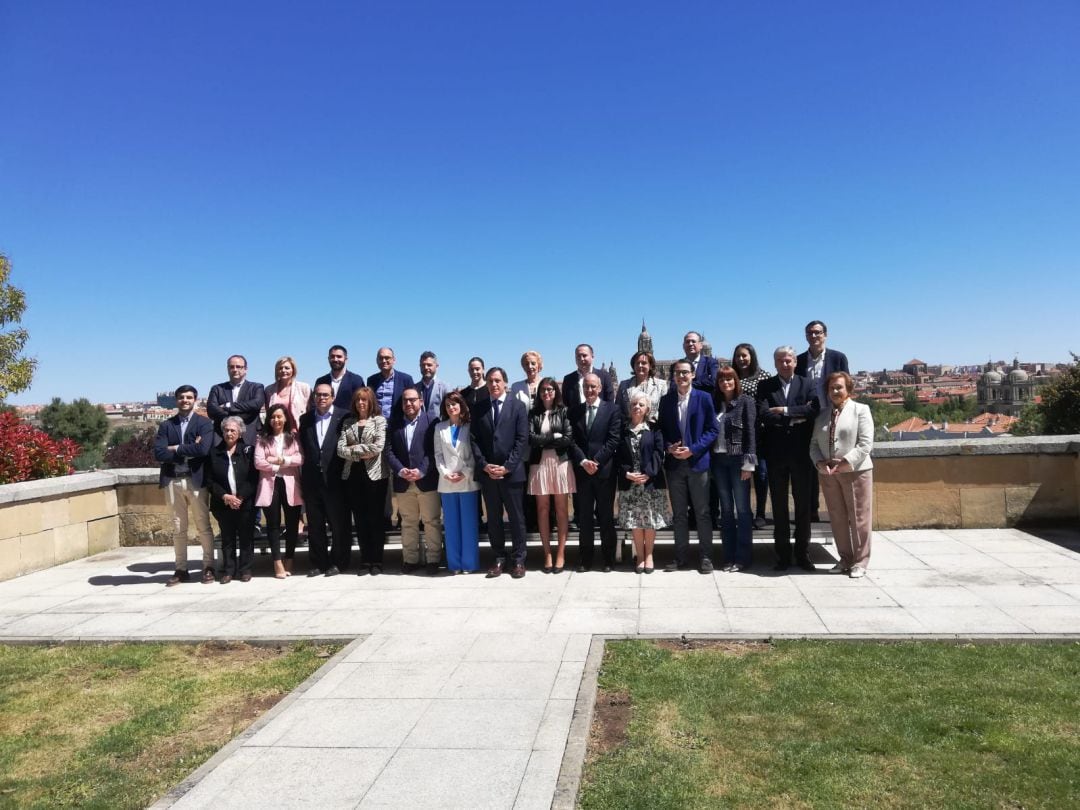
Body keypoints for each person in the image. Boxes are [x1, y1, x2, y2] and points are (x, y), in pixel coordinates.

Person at [756, 346, 821, 572]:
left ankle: (803, 554)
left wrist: (783, 411)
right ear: (775, 363)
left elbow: (812, 409)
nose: (785, 364)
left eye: (789, 360)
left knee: (803, 506)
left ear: (795, 362)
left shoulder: (807, 383)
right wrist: (795, 416)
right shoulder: (765, 386)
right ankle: (783, 556)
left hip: (802, 455)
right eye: (781, 360)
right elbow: (763, 413)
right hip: (775, 455)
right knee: (779, 507)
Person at [810, 371, 874, 578]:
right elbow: (813, 444)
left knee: (859, 518)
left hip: (855, 471)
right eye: (832, 388)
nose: (835, 391)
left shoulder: (861, 410)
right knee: (837, 517)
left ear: (848, 389)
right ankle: (845, 558)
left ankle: (861, 561)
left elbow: (865, 444)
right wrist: (819, 462)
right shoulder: (822, 415)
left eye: (839, 387)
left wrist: (846, 462)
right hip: (828, 473)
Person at [658, 359, 718, 573]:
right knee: (680, 514)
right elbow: (661, 431)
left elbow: (713, 429)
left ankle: (706, 558)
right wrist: (669, 447)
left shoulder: (704, 398)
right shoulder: (666, 401)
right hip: (674, 465)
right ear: (673, 376)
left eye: (685, 372)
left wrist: (693, 449)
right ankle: (681, 557)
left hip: (697, 463)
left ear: (693, 374)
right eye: (677, 373)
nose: (681, 376)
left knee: (702, 512)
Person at [153, 384, 215, 586]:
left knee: (203, 525)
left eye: (189, 397)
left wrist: (175, 448)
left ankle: (208, 567)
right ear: (176, 400)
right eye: (181, 397)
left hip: (196, 480)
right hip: (173, 481)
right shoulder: (166, 425)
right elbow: (159, 454)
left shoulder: (204, 424)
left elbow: (204, 449)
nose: (185, 401)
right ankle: (181, 569)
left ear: (195, 399)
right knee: (178, 528)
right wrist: (190, 448)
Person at [470, 367, 529, 579]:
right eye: (490, 381)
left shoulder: (518, 407)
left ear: (505, 382)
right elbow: (474, 441)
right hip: (488, 474)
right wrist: (485, 465)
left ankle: (519, 559)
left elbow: (522, 440)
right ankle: (499, 558)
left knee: (516, 518)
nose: (494, 385)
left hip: (511, 474)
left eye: (497, 381)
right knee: (493, 518)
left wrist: (507, 467)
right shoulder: (478, 408)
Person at [796, 320, 851, 522]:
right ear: (806, 336)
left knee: (837, 461)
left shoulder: (838, 358)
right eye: (810, 333)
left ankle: (842, 511)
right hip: (808, 418)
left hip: (833, 416)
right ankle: (812, 510)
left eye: (818, 332)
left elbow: (847, 386)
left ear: (825, 335)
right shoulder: (799, 360)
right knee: (811, 465)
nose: (814, 336)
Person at [569, 373, 623, 572]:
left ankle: (608, 558)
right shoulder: (574, 412)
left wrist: (596, 461)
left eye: (593, 387)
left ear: (600, 388)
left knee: (606, 516)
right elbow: (571, 440)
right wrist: (583, 461)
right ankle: (586, 558)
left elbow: (613, 439)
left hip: (604, 472)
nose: (589, 390)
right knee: (584, 517)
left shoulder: (612, 410)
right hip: (582, 472)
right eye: (586, 387)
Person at [387, 388, 443, 574]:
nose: (409, 404)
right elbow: (389, 451)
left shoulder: (432, 421)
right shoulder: (393, 423)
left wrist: (422, 470)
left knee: (431, 521)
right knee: (408, 522)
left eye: (412, 400)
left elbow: (433, 450)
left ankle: (433, 559)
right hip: (403, 482)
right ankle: (410, 559)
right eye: (405, 401)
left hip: (426, 480)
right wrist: (401, 470)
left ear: (420, 401)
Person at [298, 383, 350, 576]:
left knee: (338, 525)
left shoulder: (344, 417)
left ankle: (339, 562)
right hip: (312, 480)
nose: (321, 398)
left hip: (336, 480)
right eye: (318, 395)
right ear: (313, 397)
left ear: (333, 397)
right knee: (315, 525)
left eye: (326, 395)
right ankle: (318, 562)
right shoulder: (305, 420)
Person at [337, 387, 389, 574]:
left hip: (375, 477)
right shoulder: (348, 422)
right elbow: (340, 449)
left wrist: (354, 449)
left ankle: (377, 560)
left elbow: (377, 447)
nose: (361, 403)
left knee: (375, 519)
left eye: (365, 400)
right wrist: (361, 451)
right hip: (352, 477)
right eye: (358, 400)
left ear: (371, 402)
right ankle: (365, 560)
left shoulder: (379, 421)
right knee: (360, 520)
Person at [710, 365, 757, 572]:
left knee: (743, 510)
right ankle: (728, 556)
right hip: (718, 461)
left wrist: (749, 464)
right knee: (726, 511)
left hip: (739, 462)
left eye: (729, 379)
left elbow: (751, 434)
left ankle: (742, 557)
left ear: (735, 381)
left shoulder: (746, 402)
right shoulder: (714, 403)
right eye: (722, 380)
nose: (725, 383)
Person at [617, 392, 669, 574]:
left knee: (650, 521)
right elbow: (618, 456)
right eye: (634, 404)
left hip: (650, 482)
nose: (637, 407)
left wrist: (648, 473)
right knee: (636, 522)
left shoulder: (654, 429)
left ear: (647, 409)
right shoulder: (622, 430)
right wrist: (627, 474)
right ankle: (639, 555)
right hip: (630, 484)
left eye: (641, 404)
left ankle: (649, 555)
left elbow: (659, 452)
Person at [527, 377, 575, 573]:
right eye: (543, 389)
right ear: (539, 393)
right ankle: (547, 553)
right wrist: (553, 437)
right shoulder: (533, 413)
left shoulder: (564, 411)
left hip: (560, 464)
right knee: (542, 510)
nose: (546, 392)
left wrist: (545, 440)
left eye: (550, 389)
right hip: (539, 465)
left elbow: (568, 439)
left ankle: (561, 553)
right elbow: (531, 439)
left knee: (562, 509)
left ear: (556, 392)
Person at [255, 404, 305, 578]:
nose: (276, 420)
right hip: (270, 484)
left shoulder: (293, 438)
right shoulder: (262, 439)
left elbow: (300, 458)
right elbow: (258, 462)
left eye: (279, 416)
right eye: (273, 417)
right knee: (273, 525)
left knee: (292, 524)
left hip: (291, 484)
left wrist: (280, 459)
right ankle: (277, 561)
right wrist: (279, 466)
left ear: (285, 419)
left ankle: (289, 558)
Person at [433, 391, 481, 574]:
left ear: (461, 406)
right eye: (448, 405)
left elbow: (476, 454)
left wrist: (465, 472)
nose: (451, 407)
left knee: (468, 525)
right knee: (451, 525)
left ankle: (469, 564)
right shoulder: (439, 428)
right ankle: (454, 565)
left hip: (467, 481)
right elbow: (437, 455)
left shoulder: (470, 427)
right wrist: (446, 473)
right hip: (446, 482)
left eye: (454, 404)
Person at [206, 415, 257, 583]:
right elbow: (209, 480)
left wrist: (240, 497)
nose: (229, 433)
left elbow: (253, 478)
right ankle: (228, 570)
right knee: (227, 538)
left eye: (233, 430)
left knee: (245, 537)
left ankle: (245, 570)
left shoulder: (249, 451)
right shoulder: (214, 453)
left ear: (240, 433)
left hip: (245, 503)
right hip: (223, 504)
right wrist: (225, 496)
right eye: (226, 430)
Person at [732, 342, 771, 529]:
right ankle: (744, 513)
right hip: (737, 434)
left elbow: (769, 402)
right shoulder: (731, 376)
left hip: (760, 432)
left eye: (744, 355)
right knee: (741, 476)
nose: (741, 359)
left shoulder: (764, 376)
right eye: (738, 356)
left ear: (752, 356)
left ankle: (761, 513)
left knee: (761, 474)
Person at [207, 355, 265, 446]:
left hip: (249, 435)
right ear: (227, 369)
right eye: (231, 367)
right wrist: (234, 418)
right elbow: (211, 410)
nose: (235, 369)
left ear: (245, 369)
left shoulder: (256, 387)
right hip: (222, 436)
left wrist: (228, 406)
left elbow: (256, 404)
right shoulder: (217, 389)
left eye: (238, 366)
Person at [367, 346, 416, 419]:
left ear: (394, 360)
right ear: (377, 361)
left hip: (398, 425)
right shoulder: (371, 380)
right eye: (381, 358)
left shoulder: (406, 379)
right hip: (376, 425)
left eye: (387, 358)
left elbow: (413, 402)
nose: (384, 361)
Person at [616, 350, 664, 425]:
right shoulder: (624, 385)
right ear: (633, 366)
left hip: (654, 431)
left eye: (644, 363)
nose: (640, 365)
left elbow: (665, 411)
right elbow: (618, 411)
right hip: (628, 431)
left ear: (650, 366)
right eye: (637, 363)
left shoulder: (661, 385)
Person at [562, 343, 614, 409]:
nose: (581, 359)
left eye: (584, 355)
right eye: (578, 356)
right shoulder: (568, 379)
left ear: (592, 357)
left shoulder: (604, 376)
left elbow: (610, 403)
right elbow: (566, 406)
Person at [314, 345, 365, 411]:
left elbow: (362, 404)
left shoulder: (356, 380)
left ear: (345, 359)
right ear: (328, 359)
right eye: (332, 356)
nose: (335, 359)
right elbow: (315, 404)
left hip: (349, 420)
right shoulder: (321, 381)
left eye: (339, 356)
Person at [264, 355, 310, 428]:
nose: (283, 370)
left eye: (287, 368)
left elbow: (310, 411)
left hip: (298, 432)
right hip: (277, 433)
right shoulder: (269, 390)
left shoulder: (304, 388)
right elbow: (268, 414)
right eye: (280, 368)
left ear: (293, 370)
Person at [670, 331, 720, 396]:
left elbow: (713, 382)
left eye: (693, 341)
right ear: (683, 346)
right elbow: (673, 387)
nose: (690, 344)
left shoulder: (711, 363)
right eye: (687, 342)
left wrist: (686, 383)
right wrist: (703, 383)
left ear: (701, 345)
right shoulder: (676, 365)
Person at [418, 350, 449, 422]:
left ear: (437, 366)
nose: (426, 367)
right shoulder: (415, 388)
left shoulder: (444, 387)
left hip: (439, 428)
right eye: (423, 365)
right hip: (420, 430)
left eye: (429, 365)